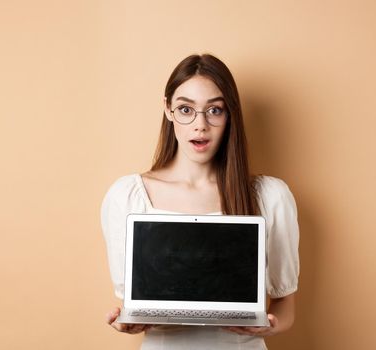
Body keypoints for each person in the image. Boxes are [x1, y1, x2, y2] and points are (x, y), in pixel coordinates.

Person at [101, 54, 299, 350]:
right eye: (185, 109)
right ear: (167, 109)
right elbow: (131, 300)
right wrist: (129, 322)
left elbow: (285, 303)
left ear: (229, 114)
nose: (200, 125)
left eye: (214, 110)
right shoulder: (126, 195)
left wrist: (270, 327)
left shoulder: (270, 195)